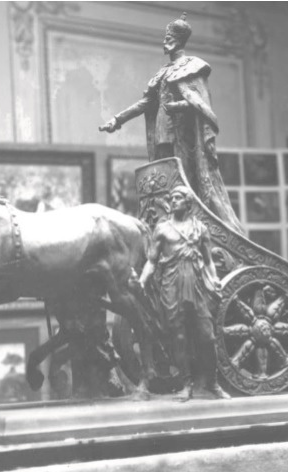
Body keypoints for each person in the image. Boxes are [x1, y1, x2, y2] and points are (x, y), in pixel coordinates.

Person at [99, 13, 243, 234]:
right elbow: (146, 103)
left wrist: (179, 106)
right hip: (161, 132)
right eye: (165, 38)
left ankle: (189, 224)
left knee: (184, 179)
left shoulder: (193, 67)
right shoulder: (162, 73)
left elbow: (201, 104)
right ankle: (168, 221)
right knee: (165, 178)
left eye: (168, 38)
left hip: (181, 134)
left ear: (178, 40)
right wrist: (117, 120)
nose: (164, 42)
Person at [139, 186, 230, 400]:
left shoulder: (200, 229)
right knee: (178, 337)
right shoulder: (162, 229)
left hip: (196, 283)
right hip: (172, 284)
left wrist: (214, 279)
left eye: (178, 197)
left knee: (207, 336)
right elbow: (152, 261)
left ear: (188, 203)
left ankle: (213, 383)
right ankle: (186, 384)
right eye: (172, 198)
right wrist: (142, 280)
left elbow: (208, 261)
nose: (174, 201)